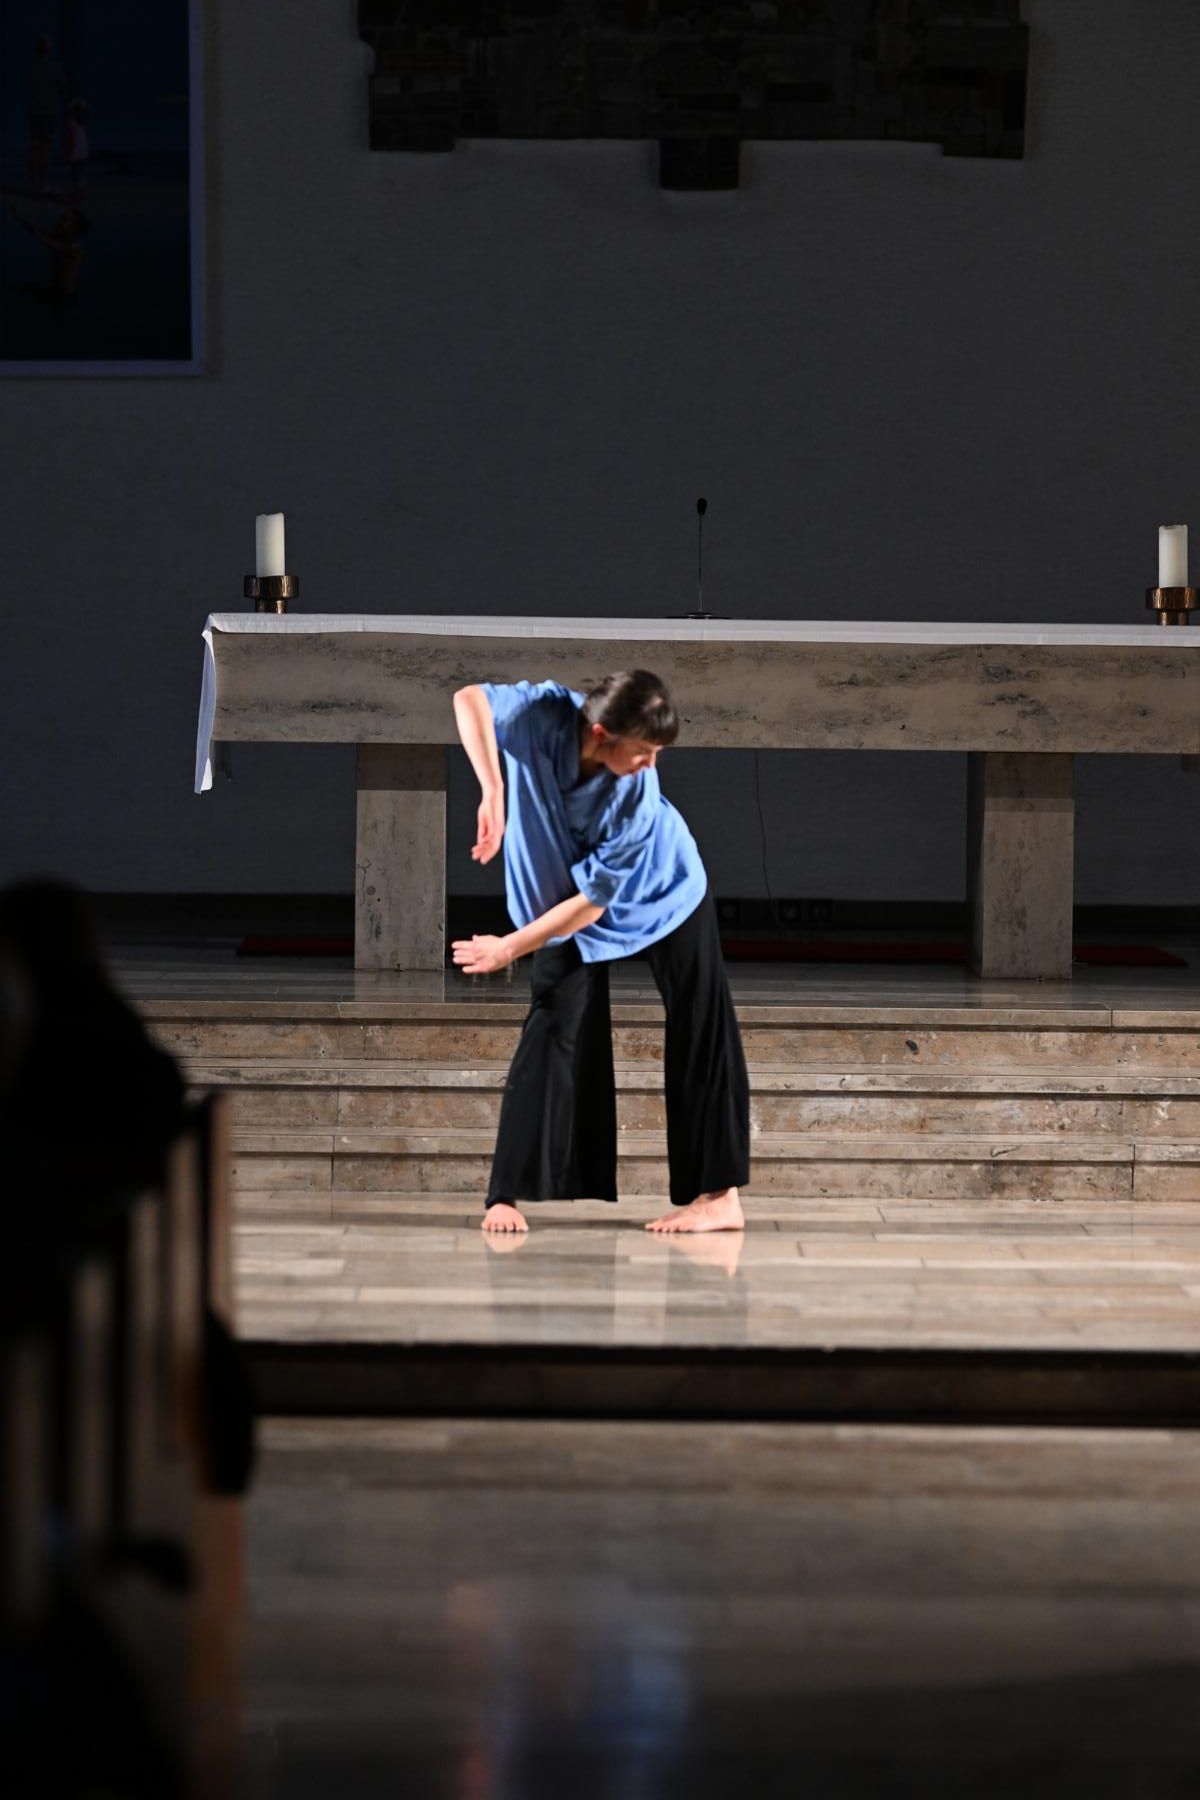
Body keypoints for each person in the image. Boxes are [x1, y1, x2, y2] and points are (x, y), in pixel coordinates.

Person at [451, 670, 750, 1236]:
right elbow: (470, 701)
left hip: (663, 889)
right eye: (642, 752)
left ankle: (720, 1198)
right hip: (565, 895)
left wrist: (509, 947)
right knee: (553, 1020)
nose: (650, 765)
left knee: (701, 1021)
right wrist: (492, 789)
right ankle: (505, 1194)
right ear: (599, 734)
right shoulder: (542, 714)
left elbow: (592, 903)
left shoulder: (638, 794)